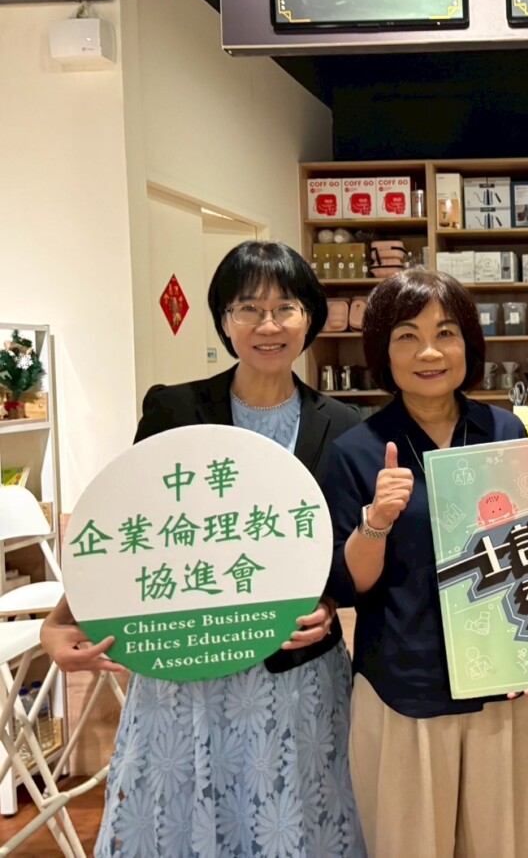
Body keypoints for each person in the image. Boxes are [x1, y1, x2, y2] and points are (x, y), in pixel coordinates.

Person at [40, 240, 366, 856]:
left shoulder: (345, 425)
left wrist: (329, 604)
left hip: (294, 676)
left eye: (285, 308)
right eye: (249, 308)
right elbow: (135, 530)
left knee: (293, 823)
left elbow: (343, 551)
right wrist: (60, 621)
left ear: (310, 319)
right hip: (185, 664)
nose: (268, 325)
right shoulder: (175, 409)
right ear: (223, 319)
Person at [321, 269, 528, 858]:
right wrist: (376, 521)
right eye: (406, 336)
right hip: (404, 687)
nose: (429, 352)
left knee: (502, 846)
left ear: (469, 344)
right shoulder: (357, 450)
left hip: (500, 685)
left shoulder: (503, 431)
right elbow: (350, 585)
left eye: (445, 333)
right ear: (382, 352)